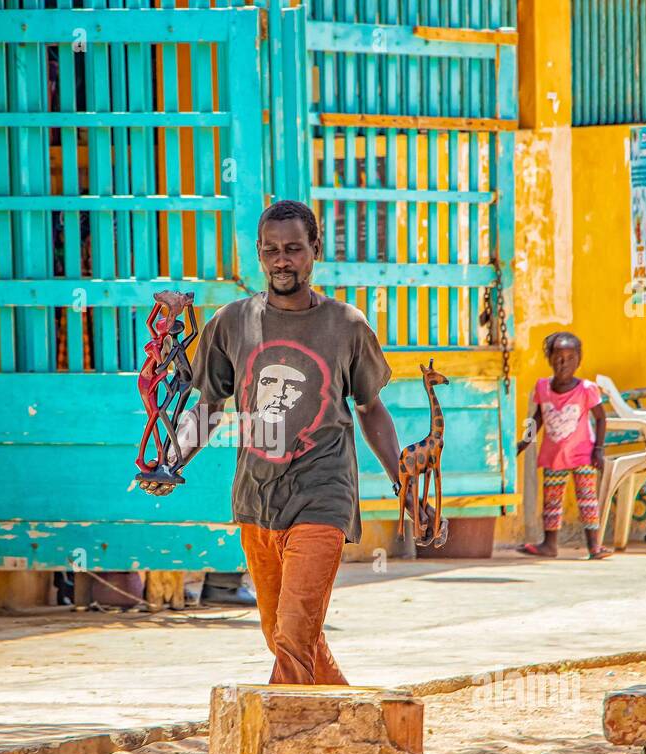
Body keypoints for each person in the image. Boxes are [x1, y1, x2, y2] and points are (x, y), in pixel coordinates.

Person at [138, 200, 442, 684]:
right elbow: (209, 405)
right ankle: (349, 722)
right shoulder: (232, 322)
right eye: (271, 250)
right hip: (256, 498)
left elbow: (370, 408)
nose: (282, 260)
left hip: (324, 494)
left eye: (294, 249)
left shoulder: (346, 324)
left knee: (293, 637)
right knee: (283, 633)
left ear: (315, 250)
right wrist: (172, 460)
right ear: (259, 254)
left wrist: (403, 488)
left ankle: (277, 747)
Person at [516, 331, 610, 559]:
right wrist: (524, 441)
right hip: (554, 455)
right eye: (558, 357)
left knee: (587, 499)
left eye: (570, 358)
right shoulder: (542, 387)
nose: (563, 363)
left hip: (583, 455)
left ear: (579, 360)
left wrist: (598, 450)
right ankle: (549, 545)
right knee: (551, 500)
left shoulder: (586, 389)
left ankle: (594, 546)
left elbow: (600, 418)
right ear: (549, 358)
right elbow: (537, 417)